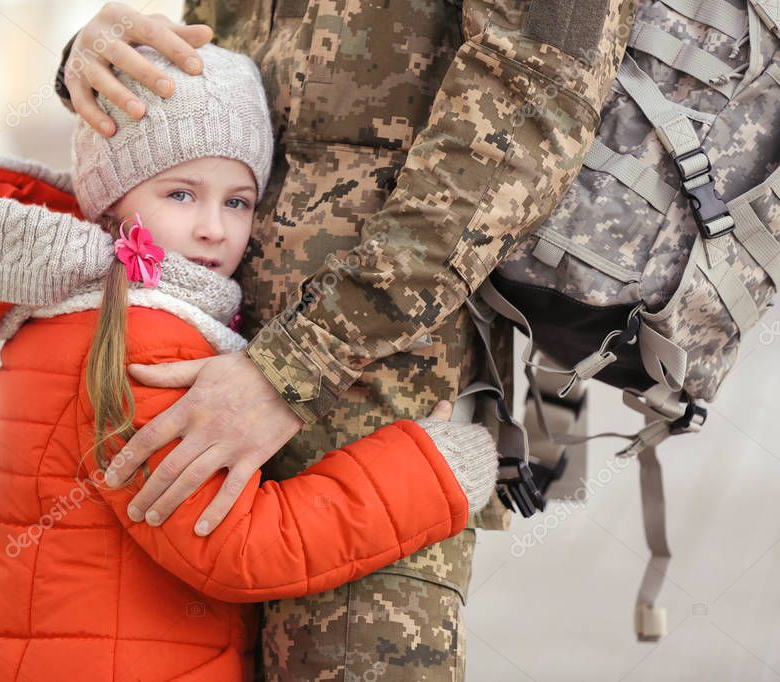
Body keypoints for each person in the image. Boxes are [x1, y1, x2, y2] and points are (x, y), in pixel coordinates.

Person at [53, 1, 639, 678]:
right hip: (196, 373)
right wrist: (94, 62)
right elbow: (224, 60)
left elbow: (528, 116)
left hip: (373, 418)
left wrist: (297, 362)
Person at [0, 43, 500, 681]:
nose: (213, 228)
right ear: (110, 203)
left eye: (237, 201)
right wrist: (430, 474)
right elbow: (234, 546)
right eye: (180, 193)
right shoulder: (142, 341)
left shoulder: (70, 312)